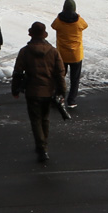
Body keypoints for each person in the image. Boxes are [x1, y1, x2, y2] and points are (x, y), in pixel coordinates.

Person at [11, 21, 68, 162]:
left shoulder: (25, 51)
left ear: (31, 34)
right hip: (48, 91)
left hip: (32, 91)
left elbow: (18, 72)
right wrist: (62, 91)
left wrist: (15, 89)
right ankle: (44, 144)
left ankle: (41, 146)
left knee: (35, 120)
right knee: (45, 118)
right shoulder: (53, 51)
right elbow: (60, 72)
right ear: (44, 35)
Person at [51, 0, 89, 106]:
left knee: (60, 77)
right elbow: (85, 25)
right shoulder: (78, 22)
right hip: (76, 55)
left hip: (62, 55)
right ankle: (71, 101)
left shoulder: (59, 21)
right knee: (75, 79)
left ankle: (58, 97)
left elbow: (53, 25)